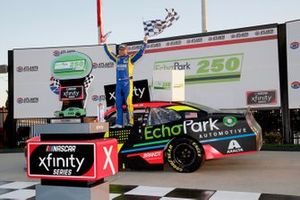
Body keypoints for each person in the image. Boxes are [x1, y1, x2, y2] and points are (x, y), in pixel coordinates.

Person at [103, 35, 148, 128]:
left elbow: (140, 53)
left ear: (126, 50)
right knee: (118, 104)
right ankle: (119, 123)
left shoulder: (130, 58)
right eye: (120, 49)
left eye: (123, 49)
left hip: (127, 83)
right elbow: (108, 53)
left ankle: (130, 123)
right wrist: (104, 43)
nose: (121, 51)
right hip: (118, 83)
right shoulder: (117, 58)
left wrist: (145, 42)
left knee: (128, 103)